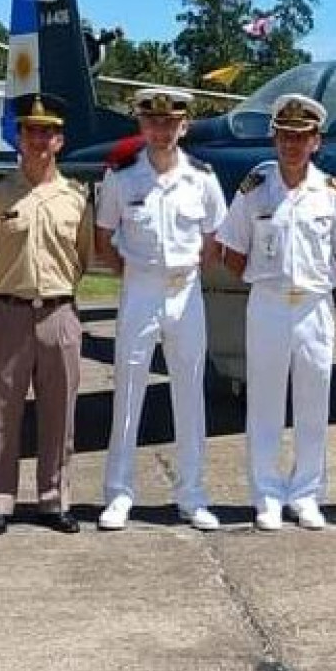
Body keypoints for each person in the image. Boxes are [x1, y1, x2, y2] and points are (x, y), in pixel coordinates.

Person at [217, 93, 336, 530]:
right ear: (274, 140)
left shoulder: (334, 194)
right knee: (263, 402)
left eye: (301, 137)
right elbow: (232, 250)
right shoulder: (255, 190)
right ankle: (266, 494)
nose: (292, 145)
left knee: (313, 402)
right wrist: (265, 276)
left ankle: (306, 494)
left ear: (316, 141)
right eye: (284, 136)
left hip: (314, 307)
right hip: (267, 304)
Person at [94, 87, 228, 531]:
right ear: (141, 125)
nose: (161, 130)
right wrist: (135, 273)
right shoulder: (123, 178)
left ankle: (192, 494)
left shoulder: (203, 179)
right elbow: (104, 237)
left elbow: (213, 241)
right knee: (128, 391)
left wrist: (183, 272)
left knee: (189, 393)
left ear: (184, 126)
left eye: (170, 123)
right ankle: (118, 492)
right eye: (153, 122)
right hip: (140, 290)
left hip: (186, 292)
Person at [0, 92, 94, 536]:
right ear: (18, 138)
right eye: (30, 131)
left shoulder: (77, 199)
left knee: (60, 413)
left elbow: (81, 257)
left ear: (59, 141)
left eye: (47, 132)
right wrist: (8, 289)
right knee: (3, 413)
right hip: (9, 312)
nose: (39, 140)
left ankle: (54, 499)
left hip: (59, 314)